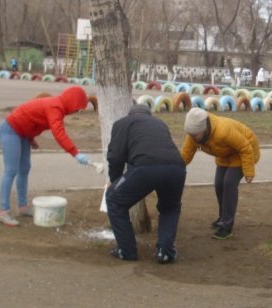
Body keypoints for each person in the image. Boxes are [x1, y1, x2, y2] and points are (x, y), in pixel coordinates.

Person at [0, 86, 90, 227]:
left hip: (22, 134)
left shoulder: (58, 106)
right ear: (72, 101)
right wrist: (75, 153)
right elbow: (59, 133)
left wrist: (31, 139)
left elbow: (33, 120)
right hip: (10, 130)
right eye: (77, 107)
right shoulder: (55, 107)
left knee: (24, 169)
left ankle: (23, 207)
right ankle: (3, 212)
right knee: (11, 171)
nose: (76, 111)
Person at [105, 104, 187, 263]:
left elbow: (115, 157)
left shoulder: (122, 123)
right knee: (170, 207)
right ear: (148, 115)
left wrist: (114, 181)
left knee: (114, 199)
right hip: (177, 168)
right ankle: (165, 251)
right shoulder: (160, 123)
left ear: (131, 114)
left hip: (145, 167)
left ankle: (126, 250)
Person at [181, 107, 260, 239]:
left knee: (229, 183)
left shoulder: (223, 131)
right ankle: (223, 217)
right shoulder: (193, 135)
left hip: (245, 152)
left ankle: (227, 226)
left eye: (195, 135)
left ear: (204, 129)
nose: (193, 138)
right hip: (225, 154)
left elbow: (245, 148)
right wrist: (175, 168)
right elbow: (186, 154)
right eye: (191, 135)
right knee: (218, 184)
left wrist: (249, 171)